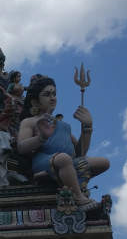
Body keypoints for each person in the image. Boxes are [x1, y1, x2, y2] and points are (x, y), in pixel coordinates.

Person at [16, 76, 109, 208]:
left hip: (67, 162)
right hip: (45, 160)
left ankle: (67, 177)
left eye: (54, 94)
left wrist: (87, 127)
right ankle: (78, 197)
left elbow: (80, 152)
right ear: (35, 102)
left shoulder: (63, 126)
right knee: (63, 159)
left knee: (103, 162)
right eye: (47, 94)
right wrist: (41, 138)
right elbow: (21, 147)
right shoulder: (30, 122)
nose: (53, 98)